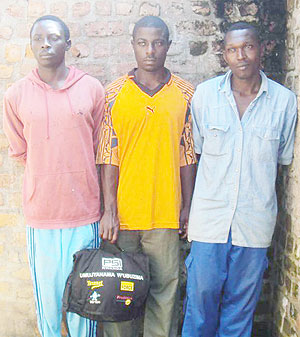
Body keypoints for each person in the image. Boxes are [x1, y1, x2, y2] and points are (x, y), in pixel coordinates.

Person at [182, 22, 297, 337]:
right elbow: (198, 151)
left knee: (240, 310)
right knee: (200, 304)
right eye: (232, 50)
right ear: (224, 55)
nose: (241, 56)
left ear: (262, 49)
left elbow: (283, 158)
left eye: (247, 47)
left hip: (254, 224)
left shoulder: (285, 103)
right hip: (209, 223)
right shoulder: (205, 96)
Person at [3, 15, 105, 337]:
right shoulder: (16, 95)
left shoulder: (91, 88)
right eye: (38, 39)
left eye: (54, 37)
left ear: (68, 44)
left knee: (84, 302)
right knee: (46, 304)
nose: (45, 44)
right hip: (42, 216)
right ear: (31, 45)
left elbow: (101, 151)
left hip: (85, 214)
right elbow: (20, 150)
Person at [96, 15, 197, 337]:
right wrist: (109, 211)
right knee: (119, 294)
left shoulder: (186, 94)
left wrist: (187, 207)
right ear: (133, 46)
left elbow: (188, 153)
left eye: (157, 42)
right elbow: (107, 155)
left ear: (168, 44)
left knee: (164, 293)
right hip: (123, 217)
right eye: (142, 43)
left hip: (165, 215)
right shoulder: (113, 94)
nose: (150, 50)